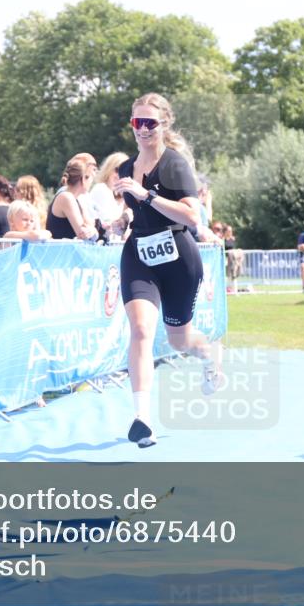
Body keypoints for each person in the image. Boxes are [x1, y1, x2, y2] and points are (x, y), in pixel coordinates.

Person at [113, 92, 226, 448]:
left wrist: (146, 195)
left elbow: (192, 216)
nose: (142, 130)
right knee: (142, 330)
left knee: (179, 340)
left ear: (164, 125)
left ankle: (210, 355)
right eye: (137, 122)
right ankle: (142, 419)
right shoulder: (124, 169)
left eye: (150, 123)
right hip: (139, 255)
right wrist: (121, 220)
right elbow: (134, 213)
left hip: (178, 258)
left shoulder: (175, 164)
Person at [45, 159, 98, 241]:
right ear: (84, 179)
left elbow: (91, 228)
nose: (92, 183)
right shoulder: (66, 197)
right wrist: (93, 231)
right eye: (91, 178)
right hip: (61, 252)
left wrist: (93, 231)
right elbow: (84, 234)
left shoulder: (77, 199)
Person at [90, 152, 130, 240]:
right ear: (109, 169)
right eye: (117, 170)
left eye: (124, 171)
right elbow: (108, 222)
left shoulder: (121, 197)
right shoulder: (101, 189)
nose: (119, 175)